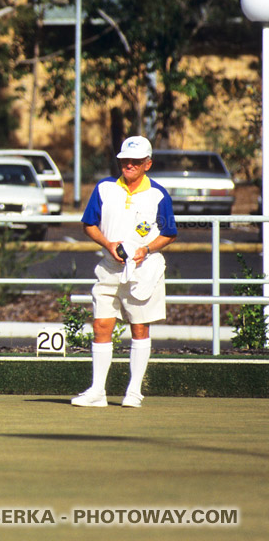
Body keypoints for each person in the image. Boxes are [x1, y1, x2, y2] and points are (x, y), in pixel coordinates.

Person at [71, 136, 177, 408]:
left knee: (139, 327)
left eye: (135, 161)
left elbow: (168, 233)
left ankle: (134, 392)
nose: (128, 165)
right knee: (101, 325)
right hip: (108, 268)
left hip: (143, 271)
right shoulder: (105, 188)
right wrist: (108, 244)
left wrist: (146, 250)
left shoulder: (158, 194)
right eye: (124, 160)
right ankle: (97, 391)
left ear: (147, 164)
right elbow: (88, 224)